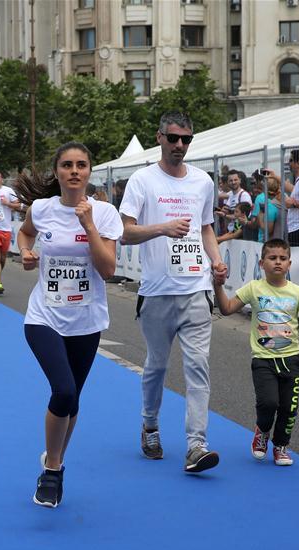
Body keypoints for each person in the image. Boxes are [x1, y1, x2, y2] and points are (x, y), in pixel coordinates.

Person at [14, 142, 123, 508]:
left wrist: (88, 224)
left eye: (81, 165)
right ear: (57, 171)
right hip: (44, 315)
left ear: (89, 171)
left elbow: (107, 269)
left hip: (86, 319)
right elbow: (25, 233)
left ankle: (54, 457)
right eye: (67, 165)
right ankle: (52, 471)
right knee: (62, 390)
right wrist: (25, 252)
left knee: (72, 398)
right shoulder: (41, 208)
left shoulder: (104, 213)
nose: (74, 171)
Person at [119, 111, 228, 474]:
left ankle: (197, 445)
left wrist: (216, 261)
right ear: (160, 138)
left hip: (196, 289)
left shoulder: (202, 181)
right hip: (157, 292)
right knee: (157, 365)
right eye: (174, 138)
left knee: (198, 368)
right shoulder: (142, 180)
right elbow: (125, 232)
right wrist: (163, 228)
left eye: (186, 139)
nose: (180, 145)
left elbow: (206, 228)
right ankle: (150, 426)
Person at [214, 238, 299, 466]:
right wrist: (218, 285)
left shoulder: (297, 292)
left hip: (290, 360)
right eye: (272, 258)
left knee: (289, 408)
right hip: (263, 359)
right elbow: (227, 308)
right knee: (268, 403)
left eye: (283, 258)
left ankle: (281, 445)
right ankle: (262, 431)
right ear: (262, 263)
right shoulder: (254, 288)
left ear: (289, 264)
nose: (278, 262)